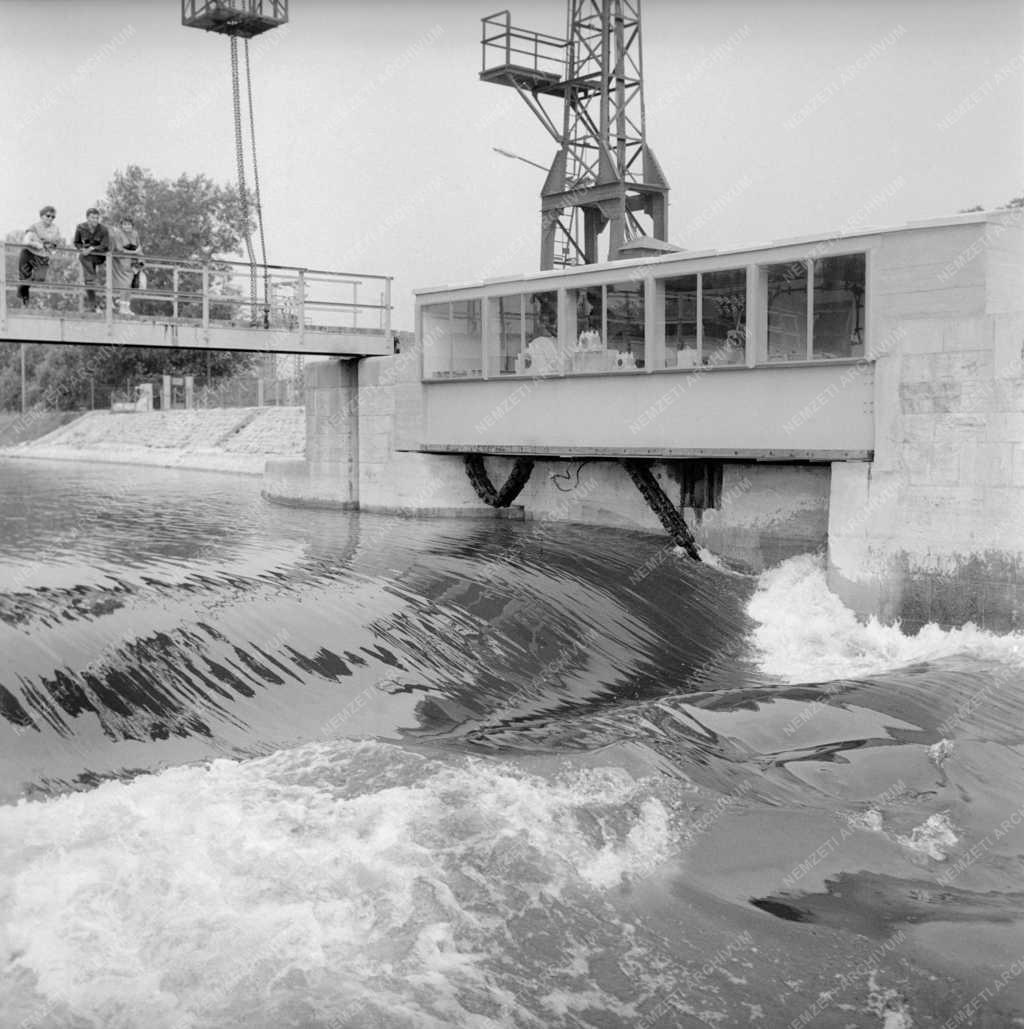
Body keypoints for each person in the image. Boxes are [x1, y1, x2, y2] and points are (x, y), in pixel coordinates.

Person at [17, 206, 62, 307]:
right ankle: (25, 298)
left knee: (40, 278)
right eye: (48, 216)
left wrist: (51, 247)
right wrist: (37, 245)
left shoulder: (55, 229)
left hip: (42, 256)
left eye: (53, 217)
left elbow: (56, 244)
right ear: (42, 216)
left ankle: (23, 287)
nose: (50, 219)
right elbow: (26, 241)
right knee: (24, 277)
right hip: (29, 253)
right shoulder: (35, 227)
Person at [73, 207, 110, 312]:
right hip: (87, 256)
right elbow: (76, 242)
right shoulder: (80, 227)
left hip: (99, 256)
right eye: (93, 218)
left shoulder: (103, 229)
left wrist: (92, 248)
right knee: (88, 279)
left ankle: (92, 280)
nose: (95, 220)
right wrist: (82, 249)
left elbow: (105, 245)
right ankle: (93, 305)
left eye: (97, 218)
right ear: (87, 218)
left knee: (90, 278)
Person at [109, 215, 141, 316]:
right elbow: (119, 250)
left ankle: (127, 306)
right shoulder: (118, 234)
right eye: (124, 224)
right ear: (121, 225)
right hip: (121, 261)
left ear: (132, 225)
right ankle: (122, 306)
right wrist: (133, 252)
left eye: (129, 224)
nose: (127, 227)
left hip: (132, 261)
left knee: (131, 284)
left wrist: (139, 264)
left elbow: (139, 248)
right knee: (125, 283)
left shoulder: (135, 234)